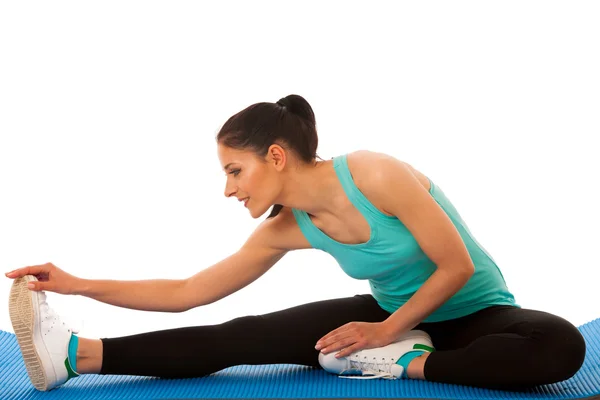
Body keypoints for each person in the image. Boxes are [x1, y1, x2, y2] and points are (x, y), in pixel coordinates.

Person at [6, 94, 586, 392]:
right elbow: (188, 291)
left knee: (560, 346)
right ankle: (76, 356)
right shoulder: (287, 227)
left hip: (477, 313)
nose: (228, 189)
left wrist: (386, 339)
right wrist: (78, 283)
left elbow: (455, 266)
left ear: (276, 157)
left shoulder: (375, 174)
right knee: (245, 336)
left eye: (235, 171)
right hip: (390, 315)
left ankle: (405, 365)